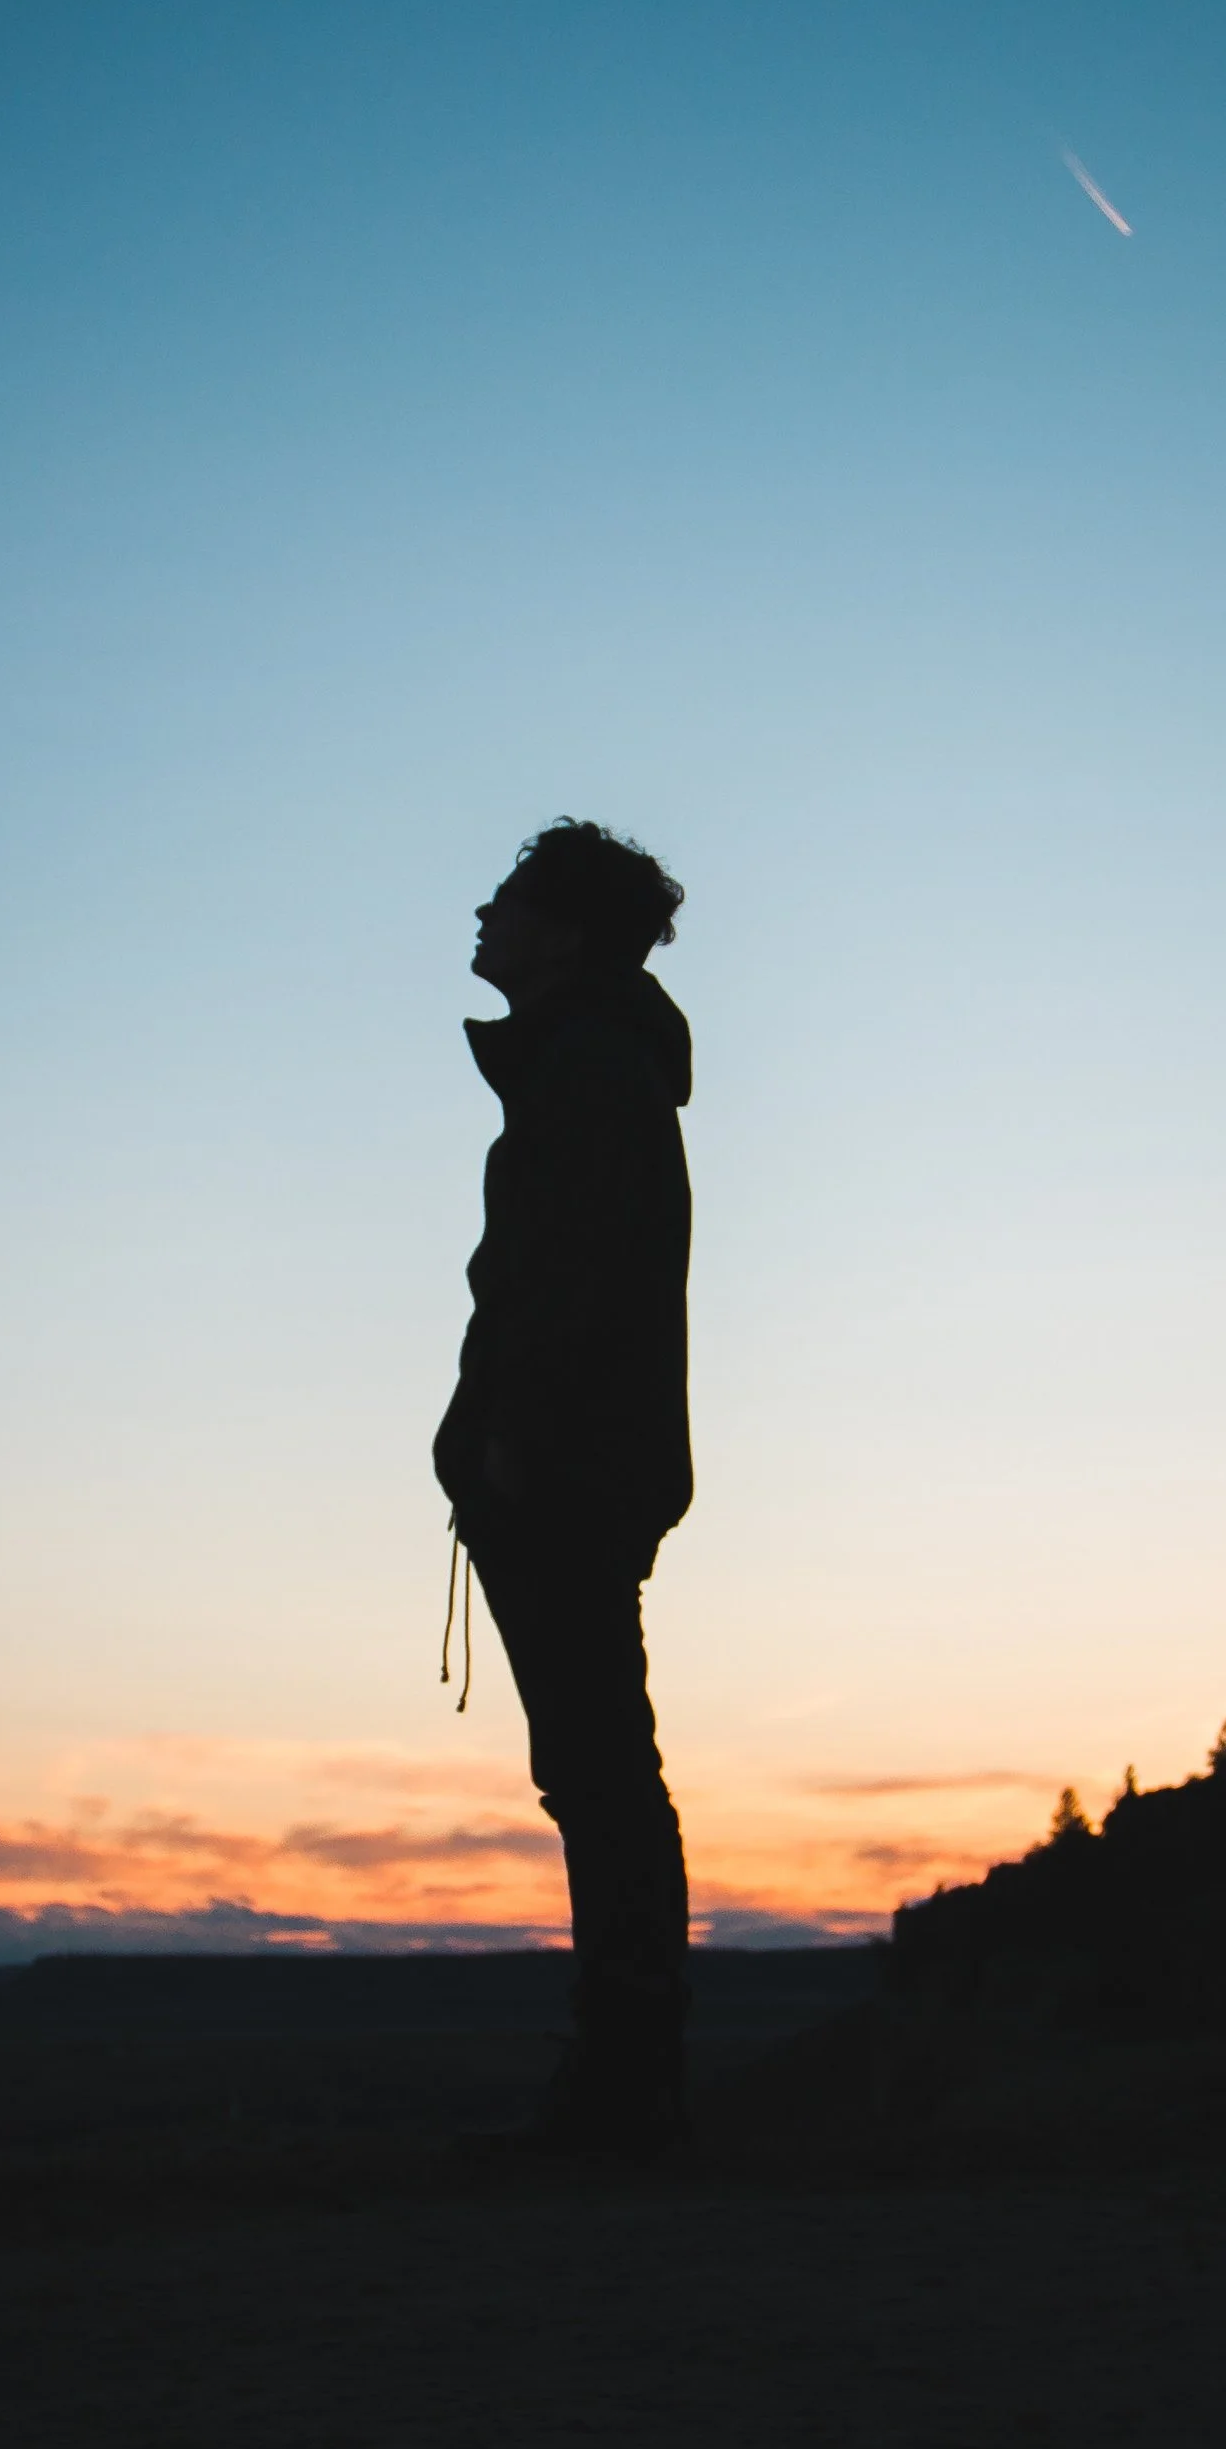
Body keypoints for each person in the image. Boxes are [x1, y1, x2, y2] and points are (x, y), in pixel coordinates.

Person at [435, 819, 694, 2156]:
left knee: (599, 1774)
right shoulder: (590, 1066)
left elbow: (570, 1282)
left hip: (569, 1474)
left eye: (510, 900)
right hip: (576, 1465)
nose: (481, 914)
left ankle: (626, 2086)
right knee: (598, 1770)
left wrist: (513, 1445)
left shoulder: (592, 1068)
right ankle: (627, 2073)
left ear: (567, 932)